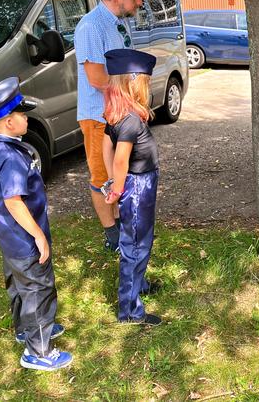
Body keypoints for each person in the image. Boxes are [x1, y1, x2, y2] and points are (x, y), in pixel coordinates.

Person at [0, 78, 73, 371]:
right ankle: (38, 351)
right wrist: (38, 236)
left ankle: (26, 329)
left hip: (9, 236)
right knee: (38, 287)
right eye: (23, 115)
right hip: (24, 237)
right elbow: (13, 201)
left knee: (20, 284)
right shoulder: (10, 156)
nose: (27, 117)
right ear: (9, 122)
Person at [74, 0, 143, 252]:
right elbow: (97, 78)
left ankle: (119, 225)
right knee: (102, 177)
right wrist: (130, 95)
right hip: (97, 116)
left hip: (118, 113)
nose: (139, 3)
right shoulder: (91, 26)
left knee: (119, 172)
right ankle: (111, 235)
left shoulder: (117, 22)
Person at [102, 49, 162, 326]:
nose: (146, 90)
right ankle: (130, 310)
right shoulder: (129, 121)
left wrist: (115, 182)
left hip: (138, 185)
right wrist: (118, 188)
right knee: (136, 245)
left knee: (139, 241)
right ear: (133, 84)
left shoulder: (117, 116)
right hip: (137, 188)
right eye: (145, 84)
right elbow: (120, 157)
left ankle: (140, 285)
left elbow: (106, 148)